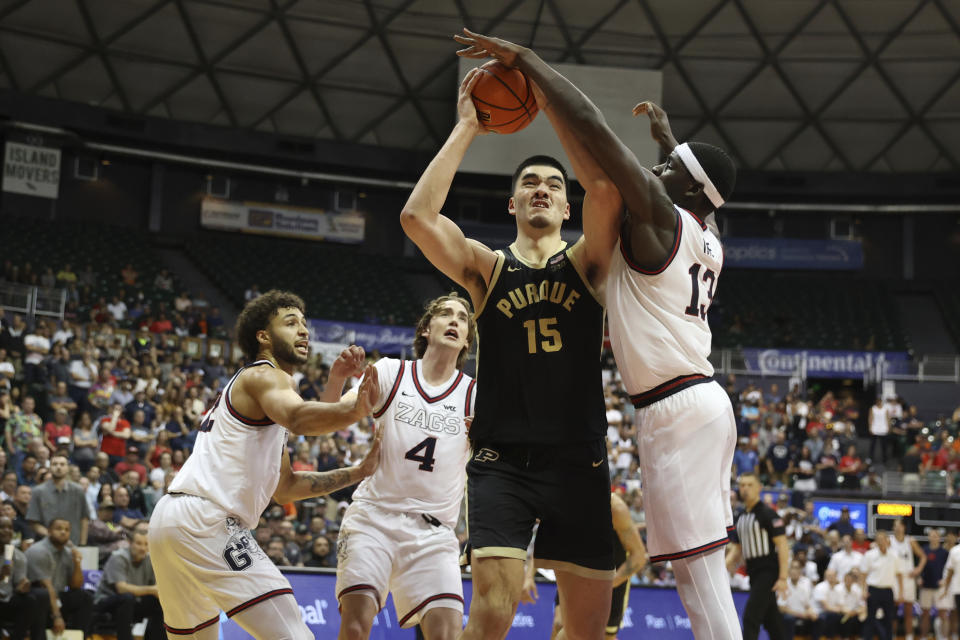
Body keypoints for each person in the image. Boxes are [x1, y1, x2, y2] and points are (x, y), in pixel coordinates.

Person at [453, 27, 740, 640]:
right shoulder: (709, 234)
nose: (654, 170)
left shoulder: (662, 217)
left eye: (665, 166)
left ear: (685, 188)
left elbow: (594, 131)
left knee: (701, 572)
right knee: (692, 570)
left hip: (679, 405)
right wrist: (672, 142)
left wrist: (529, 65)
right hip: (692, 402)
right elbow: (709, 191)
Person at [400, 54, 620, 640]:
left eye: (553, 185)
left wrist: (546, 101)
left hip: (579, 459)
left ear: (566, 207)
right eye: (528, 183)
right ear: (512, 204)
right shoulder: (486, 270)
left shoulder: (587, 263)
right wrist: (470, 124)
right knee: (494, 612)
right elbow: (418, 217)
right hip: (503, 462)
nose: (541, 190)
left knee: (586, 629)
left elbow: (603, 185)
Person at [148, 290, 381, 639]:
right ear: (264, 337)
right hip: (206, 521)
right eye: (291, 323)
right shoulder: (265, 375)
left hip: (171, 521)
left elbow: (285, 487)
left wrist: (358, 471)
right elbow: (302, 418)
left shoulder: (262, 397)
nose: (303, 331)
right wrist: (356, 404)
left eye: (305, 324)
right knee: (293, 634)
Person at [333, 295, 476, 640]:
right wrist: (339, 378)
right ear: (426, 329)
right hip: (373, 518)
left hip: (434, 533)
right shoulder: (390, 372)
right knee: (355, 626)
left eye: (462, 318)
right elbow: (328, 419)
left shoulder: (476, 396)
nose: (454, 321)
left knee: (446, 634)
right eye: (445, 314)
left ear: (468, 339)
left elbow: (489, 473)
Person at [551, 492, 648, 640]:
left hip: (613, 579)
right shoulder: (564, 500)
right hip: (577, 572)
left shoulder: (614, 507)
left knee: (606, 636)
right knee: (560, 624)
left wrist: (604, 587)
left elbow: (639, 557)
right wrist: (528, 578)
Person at [727, 472, 790, 640]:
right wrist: (723, 568)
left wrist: (783, 577)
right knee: (772, 621)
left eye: (750, 485)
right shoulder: (740, 517)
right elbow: (736, 549)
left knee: (750, 618)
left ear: (759, 488)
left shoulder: (768, 514)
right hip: (753, 573)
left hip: (768, 571)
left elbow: (783, 545)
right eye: (742, 485)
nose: (745, 489)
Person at [25, 518, 93, 639]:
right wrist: (57, 616)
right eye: (59, 528)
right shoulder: (39, 550)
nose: (63, 532)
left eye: (67, 530)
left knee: (84, 596)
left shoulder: (67, 553)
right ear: (49, 531)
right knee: (42, 595)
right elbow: (46, 586)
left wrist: (77, 563)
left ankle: (79, 637)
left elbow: (75, 585)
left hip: (56, 598)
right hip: (36, 600)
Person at [93, 529, 164, 640]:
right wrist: (152, 590)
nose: (143, 548)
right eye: (139, 543)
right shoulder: (118, 557)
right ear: (130, 543)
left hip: (133, 602)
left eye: (146, 544)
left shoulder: (150, 559)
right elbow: (121, 589)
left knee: (158, 602)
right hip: (106, 602)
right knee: (127, 598)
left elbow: (157, 589)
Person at [25, 453, 91, 545]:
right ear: (49, 467)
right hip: (46, 545)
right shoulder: (38, 491)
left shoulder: (78, 490)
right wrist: (53, 536)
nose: (58, 467)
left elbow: (84, 519)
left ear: (68, 468)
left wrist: (82, 544)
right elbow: (33, 522)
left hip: (73, 544)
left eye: (62, 464)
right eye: (55, 464)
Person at [860, 531, 904, 640]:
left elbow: (899, 575)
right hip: (873, 590)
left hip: (888, 590)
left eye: (883, 539)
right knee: (870, 618)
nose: (881, 541)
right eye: (878, 539)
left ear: (887, 540)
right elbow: (863, 574)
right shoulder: (870, 555)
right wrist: (863, 590)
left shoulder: (894, 555)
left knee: (889, 619)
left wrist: (901, 592)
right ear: (876, 541)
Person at [0, 515, 36, 640]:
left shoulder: (18, 556)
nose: (6, 531)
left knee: (30, 600)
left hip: (7, 599)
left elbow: (19, 583)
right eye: (2, 527)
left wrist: (23, 586)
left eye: (10, 528)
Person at [890, 518, 926, 640]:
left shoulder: (910, 541)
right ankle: (893, 636)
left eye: (900, 525)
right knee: (893, 612)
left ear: (904, 527)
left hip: (908, 578)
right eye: (896, 526)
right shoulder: (889, 541)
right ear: (893, 528)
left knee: (908, 611)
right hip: (894, 579)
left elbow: (923, 557)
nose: (898, 528)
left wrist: (918, 569)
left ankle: (909, 636)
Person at [919, 529, 949, 640]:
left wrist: (944, 581)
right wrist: (919, 578)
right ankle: (923, 636)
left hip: (940, 587)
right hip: (926, 586)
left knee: (943, 614)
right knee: (925, 614)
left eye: (936, 536)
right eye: (932, 535)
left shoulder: (944, 552)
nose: (934, 537)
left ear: (939, 538)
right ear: (929, 537)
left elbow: (948, 569)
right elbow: (919, 567)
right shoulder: (924, 550)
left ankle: (944, 637)